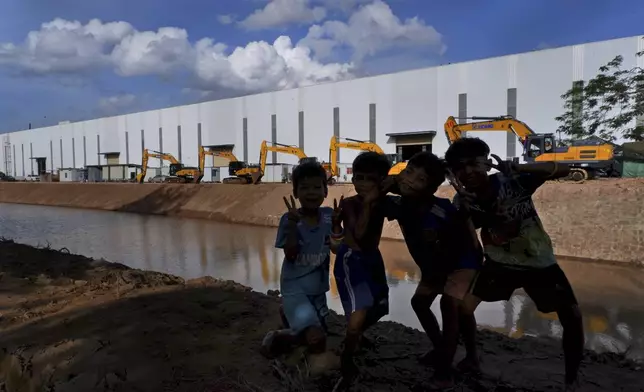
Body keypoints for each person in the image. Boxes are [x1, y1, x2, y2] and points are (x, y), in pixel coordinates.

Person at [444, 137, 584, 391]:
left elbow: (563, 169)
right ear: (453, 174)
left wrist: (522, 167)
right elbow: (470, 241)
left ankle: (571, 380)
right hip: (499, 263)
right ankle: (473, 358)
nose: (468, 172)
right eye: (459, 168)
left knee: (572, 316)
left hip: (539, 262)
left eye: (473, 163)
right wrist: (463, 213)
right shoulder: (462, 200)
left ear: (487, 162)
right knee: (464, 308)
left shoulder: (514, 181)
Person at [381, 151, 483, 388]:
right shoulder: (400, 204)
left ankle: (445, 371)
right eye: (408, 172)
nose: (408, 179)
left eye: (419, 179)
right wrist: (388, 184)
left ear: (430, 188)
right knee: (420, 303)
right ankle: (443, 349)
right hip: (436, 266)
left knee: (451, 307)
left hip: (461, 263)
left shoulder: (439, 210)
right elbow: (380, 196)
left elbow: (463, 240)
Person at [260, 161, 343, 374]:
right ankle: (275, 337)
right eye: (304, 188)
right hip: (294, 287)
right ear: (295, 192)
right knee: (317, 340)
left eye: (317, 187)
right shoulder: (289, 219)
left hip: (317, 289)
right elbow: (291, 253)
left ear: (325, 190)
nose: (311, 193)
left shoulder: (328, 215)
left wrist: (336, 226)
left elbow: (336, 249)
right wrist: (293, 226)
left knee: (319, 331)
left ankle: (288, 320)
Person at [333, 151, 392, 383]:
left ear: (381, 181)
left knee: (381, 305)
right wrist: (368, 205)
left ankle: (356, 334)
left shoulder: (384, 202)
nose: (363, 184)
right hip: (352, 259)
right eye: (359, 178)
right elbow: (358, 234)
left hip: (373, 258)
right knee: (360, 309)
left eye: (371, 179)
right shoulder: (349, 204)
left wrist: (391, 187)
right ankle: (346, 358)